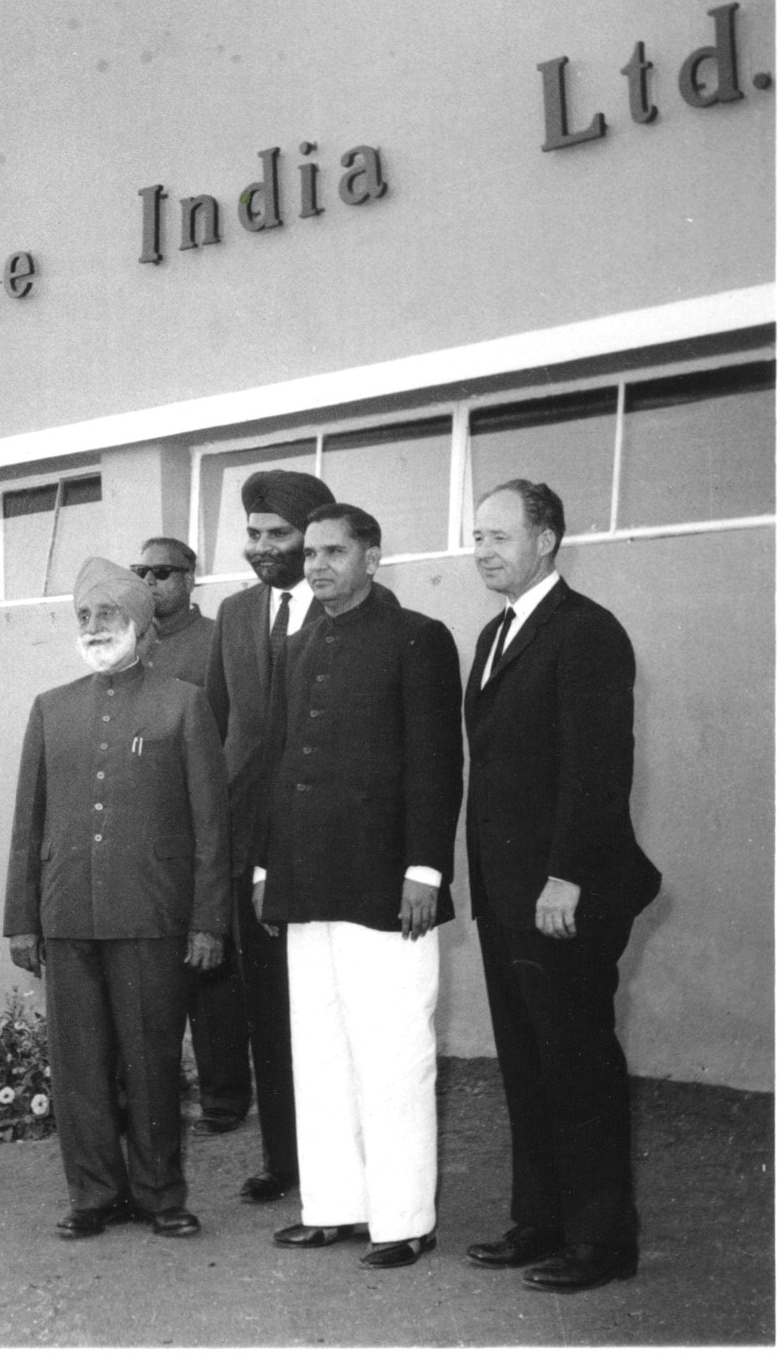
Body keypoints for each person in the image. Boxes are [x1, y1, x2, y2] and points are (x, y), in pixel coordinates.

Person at [464, 480, 661, 1292]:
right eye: (476, 536)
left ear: (545, 541)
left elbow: (596, 770)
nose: (482, 551)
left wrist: (564, 877)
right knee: (525, 1061)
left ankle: (600, 1241)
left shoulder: (586, 632)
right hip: (505, 895)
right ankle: (539, 1221)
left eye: (499, 536)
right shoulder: (493, 633)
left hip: (561, 895)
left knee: (575, 1065)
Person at [4, 557, 229, 1240]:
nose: (94, 628)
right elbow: (27, 820)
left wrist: (207, 921)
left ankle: (161, 1196)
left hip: (151, 916)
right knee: (78, 1066)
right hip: (67, 914)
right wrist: (21, 919)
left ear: (137, 623)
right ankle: (94, 1195)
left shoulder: (181, 702)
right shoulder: (51, 708)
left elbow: (210, 827)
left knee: (150, 1060)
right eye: (83, 617)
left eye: (106, 615)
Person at [262, 505, 463, 1268]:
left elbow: (436, 763)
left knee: (392, 1053)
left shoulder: (418, 637)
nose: (315, 566)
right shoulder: (300, 642)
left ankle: (404, 1219)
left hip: (385, 885)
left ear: (371, 559)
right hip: (307, 882)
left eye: (333, 552)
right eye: (309, 553)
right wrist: (265, 869)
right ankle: (334, 1206)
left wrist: (423, 868)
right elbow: (281, 764)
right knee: (317, 1053)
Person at [203, 468, 334, 1203]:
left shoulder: (351, 608)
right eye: (251, 535)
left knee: (327, 1014)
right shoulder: (235, 612)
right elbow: (221, 734)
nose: (261, 548)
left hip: (324, 846)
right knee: (269, 1012)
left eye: (277, 536)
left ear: (313, 534)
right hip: (254, 852)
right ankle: (283, 1162)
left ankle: (339, 1163)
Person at [135, 536, 251, 1138]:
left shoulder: (216, 640)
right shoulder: (133, 643)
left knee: (212, 966)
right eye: (142, 572)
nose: (152, 582)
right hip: (150, 834)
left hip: (205, 822)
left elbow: (236, 729)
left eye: (164, 572)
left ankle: (226, 1099)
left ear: (190, 577)